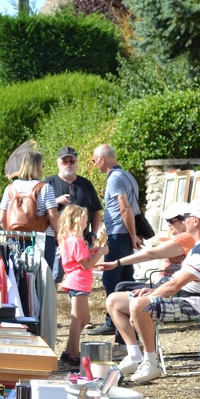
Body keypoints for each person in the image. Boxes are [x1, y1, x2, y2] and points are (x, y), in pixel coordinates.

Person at [105, 200, 200, 383]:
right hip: (182, 296)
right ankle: (135, 355)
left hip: (194, 303)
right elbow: (175, 282)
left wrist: (150, 295)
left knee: (139, 303)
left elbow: (175, 286)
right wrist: (153, 290)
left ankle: (151, 362)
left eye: (186, 217)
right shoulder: (197, 247)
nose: (184, 221)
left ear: (195, 221)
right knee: (114, 300)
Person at [89, 144, 142, 336]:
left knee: (111, 276)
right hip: (125, 234)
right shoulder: (128, 176)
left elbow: (126, 208)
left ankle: (113, 320)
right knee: (126, 276)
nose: (95, 165)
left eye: (95, 160)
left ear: (102, 159)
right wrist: (134, 233)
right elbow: (136, 208)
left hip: (119, 235)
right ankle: (131, 317)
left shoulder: (114, 179)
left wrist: (133, 234)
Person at [57, 205, 108, 366]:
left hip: (78, 281)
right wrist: (100, 254)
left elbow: (79, 259)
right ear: (79, 220)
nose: (87, 222)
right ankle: (74, 354)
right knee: (78, 319)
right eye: (85, 219)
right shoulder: (77, 241)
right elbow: (86, 265)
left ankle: (67, 352)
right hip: (78, 280)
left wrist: (91, 251)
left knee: (84, 319)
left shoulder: (69, 239)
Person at [44, 146, 103, 283]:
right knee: (54, 278)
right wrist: (55, 201)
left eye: (72, 161)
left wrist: (93, 235)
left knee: (80, 276)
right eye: (65, 161)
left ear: (77, 163)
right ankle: (53, 304)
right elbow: (39, 210)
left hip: (82, 241)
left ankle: (77, 303)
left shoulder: (86, 185)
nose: (69, 164)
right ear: (58, 163)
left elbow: (95, 212)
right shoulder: (48, 184)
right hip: (56, 242)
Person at [0, 151, 59, 268]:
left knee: (18, 278)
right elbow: (53, 216)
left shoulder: (10, 188)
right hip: (42, 239)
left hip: (15, 239)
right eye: (42, 165)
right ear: (38, 167)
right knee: (43, 280)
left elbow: (1, 219)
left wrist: (12, 233)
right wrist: (59, 235)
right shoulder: (45, 188)